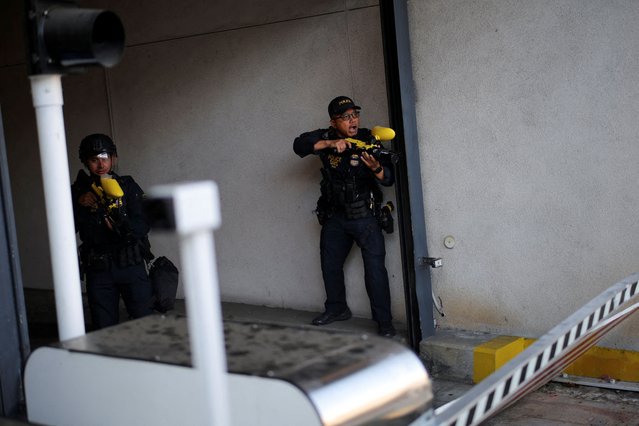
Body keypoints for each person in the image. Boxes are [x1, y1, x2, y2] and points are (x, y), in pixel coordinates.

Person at [293, 96, 396, 337]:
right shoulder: (326, 137)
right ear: (333, 121)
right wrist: (331, 145)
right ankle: (337, 309)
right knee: (330, 265)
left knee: (375, 270)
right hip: (335, 217)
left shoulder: (368, 140)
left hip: (365, 217)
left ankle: (384, 322)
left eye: (355, 114)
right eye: (346, 116)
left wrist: (375, 168)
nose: (353, 120)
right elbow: (299, 145)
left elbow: (389, 179)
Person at [71, 133, 153, 330]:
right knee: (103, 328)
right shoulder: (77, 192)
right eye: (93, 160)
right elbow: (65, 230)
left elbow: (146, 221)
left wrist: (122, 223)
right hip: (99, 269)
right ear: (85, 162)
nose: (100, 165)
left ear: (114, 158)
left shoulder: (128, 186)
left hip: (130, 263)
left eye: (105, 158)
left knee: (145, 323)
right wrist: (79, 205)